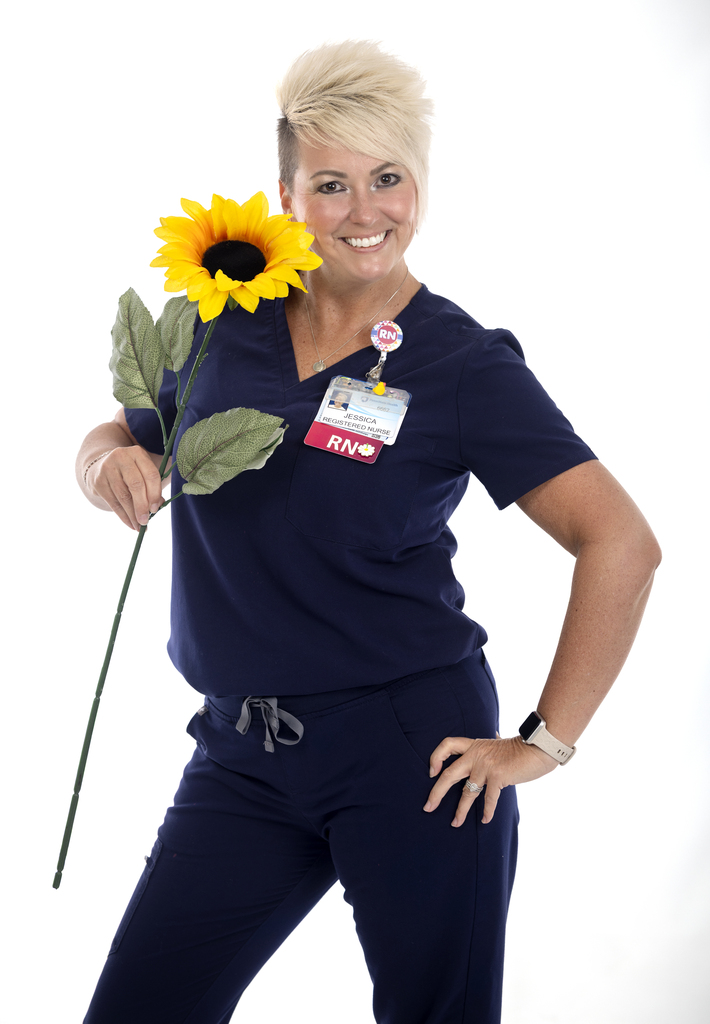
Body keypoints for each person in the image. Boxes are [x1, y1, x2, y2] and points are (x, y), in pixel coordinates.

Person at [78, 40, 661, 1024]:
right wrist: (103, 465)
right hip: (239, 753)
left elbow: (620, 541)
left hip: (413, 757)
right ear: (286, 192)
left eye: (388, 179)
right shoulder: (221, 316)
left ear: (419, 183)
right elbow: (125, 435)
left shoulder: (461, 365)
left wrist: (542, 743)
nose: (363, 212)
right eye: (331, 183)